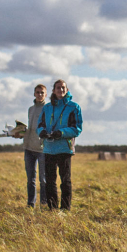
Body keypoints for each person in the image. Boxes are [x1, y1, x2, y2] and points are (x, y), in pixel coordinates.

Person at [36, 79, 82, 211]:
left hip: (64, 149)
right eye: (58, 88)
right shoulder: (47, 108)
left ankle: (65, 209)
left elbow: (77, 128)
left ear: (67, 90)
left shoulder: (74, 107)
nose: (60, 90)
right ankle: (52, 208)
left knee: (65, 181)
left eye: (63, 88)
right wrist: (42, 132)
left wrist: (61, 133)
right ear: (54, 90)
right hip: (49, 149)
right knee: (50, 181)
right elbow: (40, 125)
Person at [20, 84, 47, 208]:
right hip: (28, 147)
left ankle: (44, 203)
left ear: (46, 94)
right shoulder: (30, 109)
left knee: (43, 179)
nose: (40, 94)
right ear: (34, 94)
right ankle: (31, 203)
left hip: (41, 148)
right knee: (30, 179)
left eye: (42, 92)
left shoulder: (48, 108)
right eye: (37, 92)